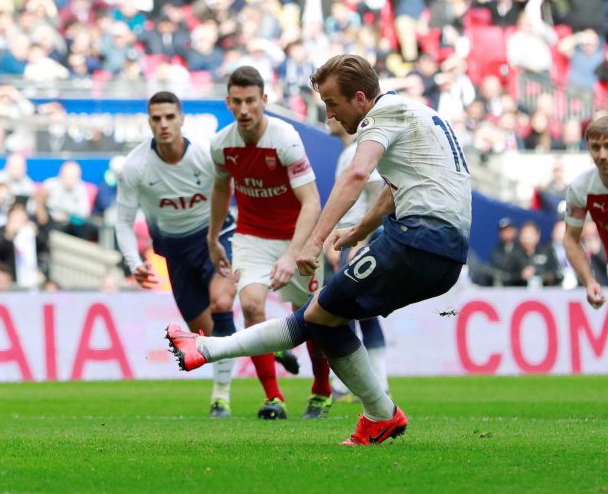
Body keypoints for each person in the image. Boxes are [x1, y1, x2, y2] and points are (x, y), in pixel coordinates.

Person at [168, 54, 472, 445]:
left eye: (332, 103)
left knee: (320, 315)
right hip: (446, 252)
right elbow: (394, 190)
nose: (329, 115)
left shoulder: (382, 117)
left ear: (360, 98)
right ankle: (208, 349)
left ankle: (379, 413)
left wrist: (314, 241)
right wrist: (360, 229)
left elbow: (358, 174)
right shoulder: (418, 115)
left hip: (418, 240)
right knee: (323, 315)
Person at [206, 66, 331, 420]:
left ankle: (321, 391)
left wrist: (293, 254)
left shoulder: (286, 139)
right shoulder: (222, 145)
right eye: (236, 102)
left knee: (312, 319)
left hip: (298, 237)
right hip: (252, 236)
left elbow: (312, 202)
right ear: (228, 102)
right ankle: (274, 397)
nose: (244, 109)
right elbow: (220, 188)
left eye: (250, 101)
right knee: (251, 306)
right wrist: (213, 236)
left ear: (264, 100)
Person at [115, 91, 238, 418]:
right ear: (149, 122)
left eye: (170, 117)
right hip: (175, 251)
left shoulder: (204, 154)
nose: (164, 124)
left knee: (223, 303)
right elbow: (123, 222)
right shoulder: (136, 167)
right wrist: (134, 262)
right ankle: (265, 346)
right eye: (157, 118)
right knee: (209, 334)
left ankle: (220, 397)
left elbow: (231, 192)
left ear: (182, 119)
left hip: (216, 235)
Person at [325, 117, 389, 399]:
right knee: (363, 312)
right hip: (348, 239)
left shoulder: (362, 150)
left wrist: (361, 240)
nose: (328, 116)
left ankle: (344, 383)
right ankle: (379, 380)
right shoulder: (348, 152)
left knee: (341, 309)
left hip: (360, 240)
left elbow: (376, 196)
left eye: (332, 110)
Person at [563, 115, 608, 308]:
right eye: (596, 147)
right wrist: (589, 281)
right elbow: (571, 239)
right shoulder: (580, 188)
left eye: (607, 146)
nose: (602, 155)